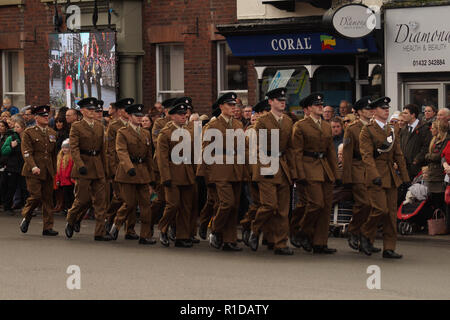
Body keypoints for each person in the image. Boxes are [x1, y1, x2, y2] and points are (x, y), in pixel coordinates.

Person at [359, 97, 409, 259]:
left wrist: (405, 177)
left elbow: (398, 155)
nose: (386, 111)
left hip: (391, 176)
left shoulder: (392, 130)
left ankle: (389, 247)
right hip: (376, 176)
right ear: (374, 112)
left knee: (391, 214)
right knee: (380, 209)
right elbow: (366, 156)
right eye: (382, 108)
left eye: (387, 108)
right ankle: (365, 233)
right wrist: (374, 175)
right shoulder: (367, 130)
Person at [248, 88, 297, 255]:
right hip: (266, 164)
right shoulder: (263, 121)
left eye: (283, 99)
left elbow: (290, 148)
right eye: (278, 100)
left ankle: (280, 243)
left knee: (283, 209)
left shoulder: (288, 121)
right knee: (269, 205)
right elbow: (256, 147)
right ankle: (255, 229)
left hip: (282, 165)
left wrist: (293, 170)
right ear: (270, 102)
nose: (282, 102)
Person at [291, 92, 337, 254]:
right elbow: (296, 152)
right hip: (308, 166)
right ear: (308, 109)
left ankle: (320, 242)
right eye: (317, 105)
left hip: (324, 168)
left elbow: (331, 150)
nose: (320, 107)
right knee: (315, 203)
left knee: (325, 207)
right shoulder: (301, 126)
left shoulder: (326, 125)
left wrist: (334, 172)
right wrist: (299, 174)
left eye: (321, 104)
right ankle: (301, 231)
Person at [65, 97, 112, 241]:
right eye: (89, 109)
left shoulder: (99, 126)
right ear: (82, 111)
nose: (93, 112)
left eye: (94, 110)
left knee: (100, 201)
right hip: (84, 166)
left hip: (97, 166)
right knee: (82, 200)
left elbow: (103, 150)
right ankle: (71, 219)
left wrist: (106, 169)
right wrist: (80, 165)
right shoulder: (77, 127)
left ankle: (100, 232)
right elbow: (74, 148)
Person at [109, 104, 156, 245]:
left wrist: (152, 177)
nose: (140, 118)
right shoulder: (122, 132)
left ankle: (145, 235)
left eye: (142, 116)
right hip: (127, 173)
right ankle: (116, 224)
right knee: (129, 203)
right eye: (137, 116)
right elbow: (121, 151)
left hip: (142, 172)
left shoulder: (146, 133)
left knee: (146, 205)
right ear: (129, 116)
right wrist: (129, 167)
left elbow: (149, 156)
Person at [205, 92, 245, 252]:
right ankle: (215, 229)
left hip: (236, 168)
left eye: (234, 105)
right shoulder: (213, 126)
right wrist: (209, 173)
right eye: (230, 105)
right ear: (221, 106)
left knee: (234, 206)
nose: (233, 108)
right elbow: (206, 150)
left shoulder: (238, 125)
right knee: (226, 203)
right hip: (220, 169)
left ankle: (229, 240)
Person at [156, 101, 196, 248]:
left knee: (186, 206)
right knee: (173, 205)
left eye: (185, 114)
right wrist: (165, 177)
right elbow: (162, 158)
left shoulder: (187, 132)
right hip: (172, 174)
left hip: (187, 173)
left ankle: (182, 236)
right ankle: (163, 228)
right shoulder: (165, 133)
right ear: (172, 116)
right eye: (180, 114)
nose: (184, 116)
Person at [19, 105, 58, 236]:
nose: (46, 118)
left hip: (48, 170)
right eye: (43, 116)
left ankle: (48, 227)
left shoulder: (52, 133)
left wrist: (55, 170)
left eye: (47, 116)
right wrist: (33, 166)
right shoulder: (29, 132)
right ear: (36, 118)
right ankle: (27, 216)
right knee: (36, 196)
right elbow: (26, 152)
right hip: (33, 170)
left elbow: (53, 154)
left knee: (48, 199)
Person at [342, 97, 375, 251]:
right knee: (365, 203)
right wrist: (347, 176)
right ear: (360, 112)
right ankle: (354, 230)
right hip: (358, 168)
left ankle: (366, 239)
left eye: (371, 109)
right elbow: (347, 154)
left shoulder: (375, 127)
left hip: (372, 170)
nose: (370, 111)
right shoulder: (352, 128)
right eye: (367, 109)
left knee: (374, 206)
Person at [104, 98, 137, 239]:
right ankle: (109, 219)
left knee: (132, 199)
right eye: (124, 109)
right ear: (119, 111)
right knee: (119, 198)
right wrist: (113, 169)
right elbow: (110, 150)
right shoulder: (114, 126)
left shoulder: (135, 124)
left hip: (133, 166)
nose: (127, 112)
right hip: (119, 166)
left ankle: (130, 229)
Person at [400, 104, 432, 180]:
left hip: (418, 169)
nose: (403, 115)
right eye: (403, 113)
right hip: (405, 168)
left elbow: (426, 147)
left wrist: (416, 160)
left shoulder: (424, 128)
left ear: (413, 115)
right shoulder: (404, 129)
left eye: (405, 113)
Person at [1, 118, 26, 213]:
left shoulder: (26, 137)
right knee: (11, 187)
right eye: (15, 126)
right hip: (13, 166)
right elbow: (3, 151)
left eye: (18, 127)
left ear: (23, 128)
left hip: (23, 166)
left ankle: (26, 207)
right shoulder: (11, 138)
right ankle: (7, 206)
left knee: (25, 187)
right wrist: (11, 146)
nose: (15, 129)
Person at [424, 120, 449, 213]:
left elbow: (439, 156)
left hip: (439, 175)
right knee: (434, 201)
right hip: (432, 175)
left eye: (433, 128)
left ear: (439, 130)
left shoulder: (446, 141)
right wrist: (430, 156)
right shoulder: (434, 140)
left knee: (441, 201)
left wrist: (429, 156)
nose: (431, 130)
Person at [55, 138, 75, 214]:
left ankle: (70, 209)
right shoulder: (60, 157)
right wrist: (57, 180)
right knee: (65, 196)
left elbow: (70, 168)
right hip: (63, 181)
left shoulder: (71, 158)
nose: (64, 149)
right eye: (63, 148)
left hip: (69, 181)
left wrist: (68, 176)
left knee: (70, 195)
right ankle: (67, 208)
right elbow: (58, 170)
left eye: (66, 148)